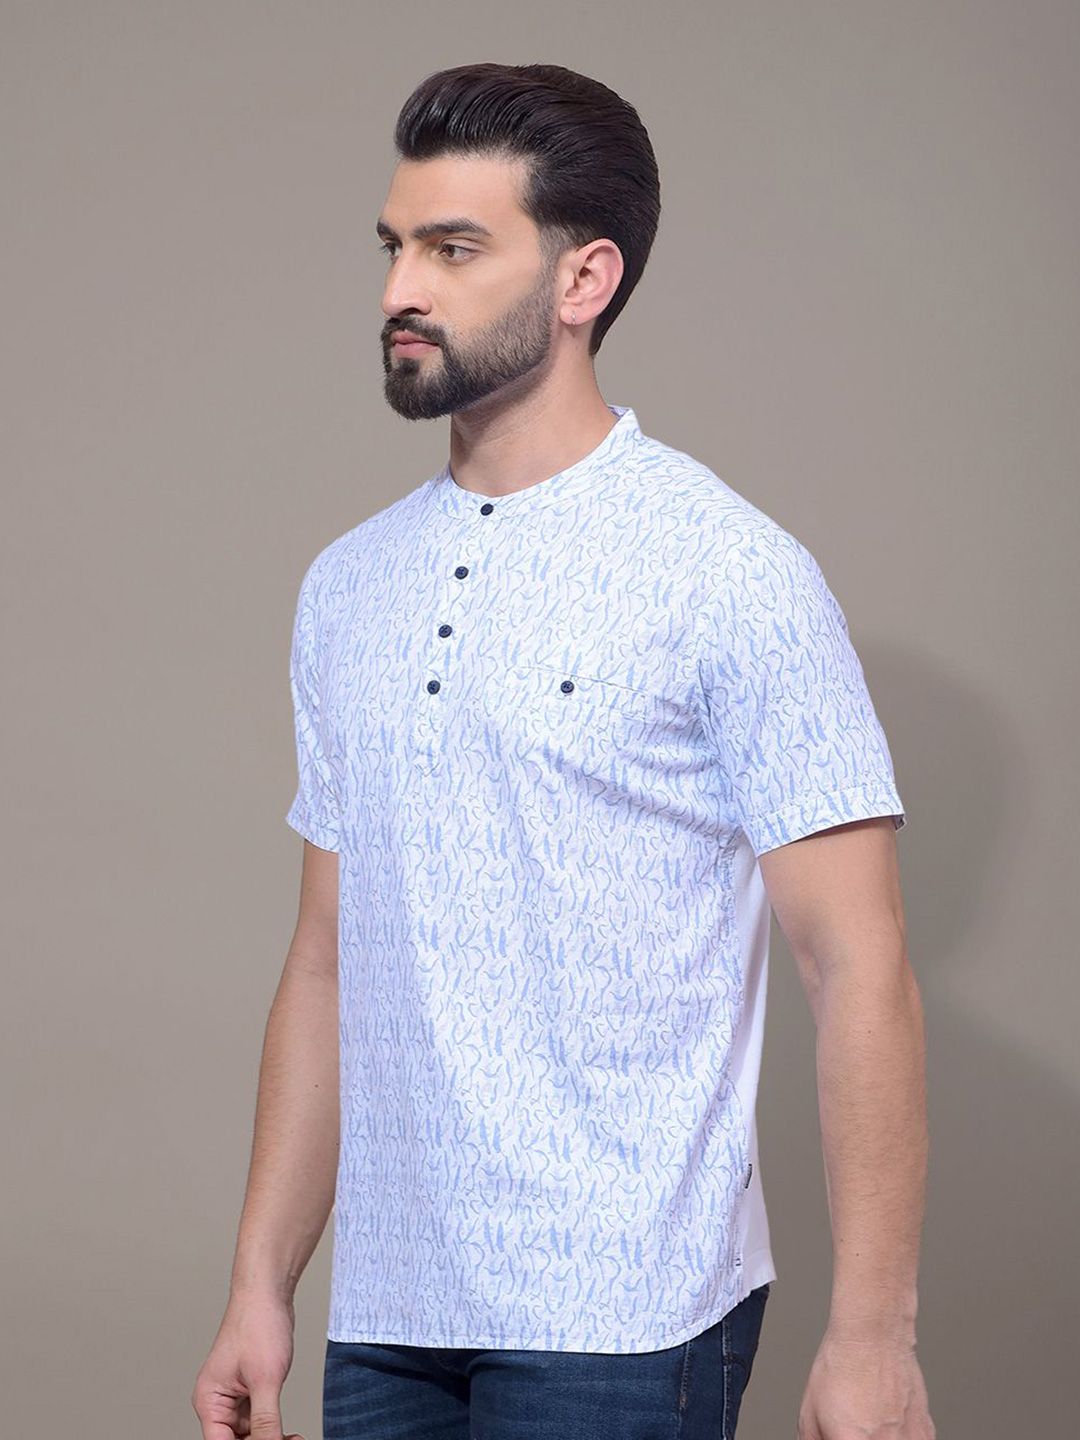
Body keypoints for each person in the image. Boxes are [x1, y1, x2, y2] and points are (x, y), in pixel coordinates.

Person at [193, 61, 935, 1440]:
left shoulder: (728, 570)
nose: (399, 288)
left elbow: (859, 963)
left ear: (585, 278)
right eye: (394, 246)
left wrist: (873, 1337)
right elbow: (326, 959)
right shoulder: (345, 587)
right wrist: (260, 1286)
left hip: (627, 1310)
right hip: (390, 1313)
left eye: (453, 249)